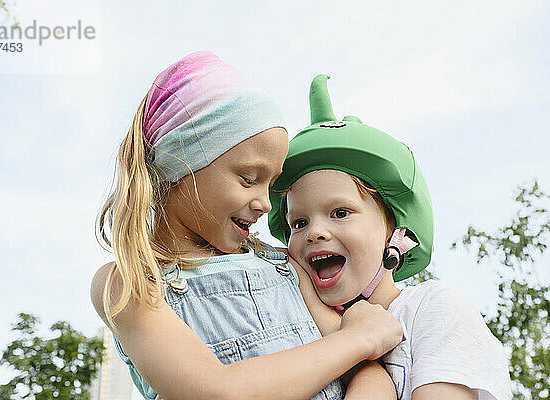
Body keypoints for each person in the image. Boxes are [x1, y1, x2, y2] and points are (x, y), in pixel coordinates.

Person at [90, 52, 403, 400]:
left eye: (270, 185)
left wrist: (360, 352)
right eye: (248, 178)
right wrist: (357, 338)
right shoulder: (131, 281)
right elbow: (214, 391)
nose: (266, 204)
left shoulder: (284, 268)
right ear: (179, 166)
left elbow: (367, 370)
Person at [268, 74, 512, 400]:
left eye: (340, 212)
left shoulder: (433, 308)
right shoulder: (293, 327)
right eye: (298, 222)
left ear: (394, 234)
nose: (314, 233)